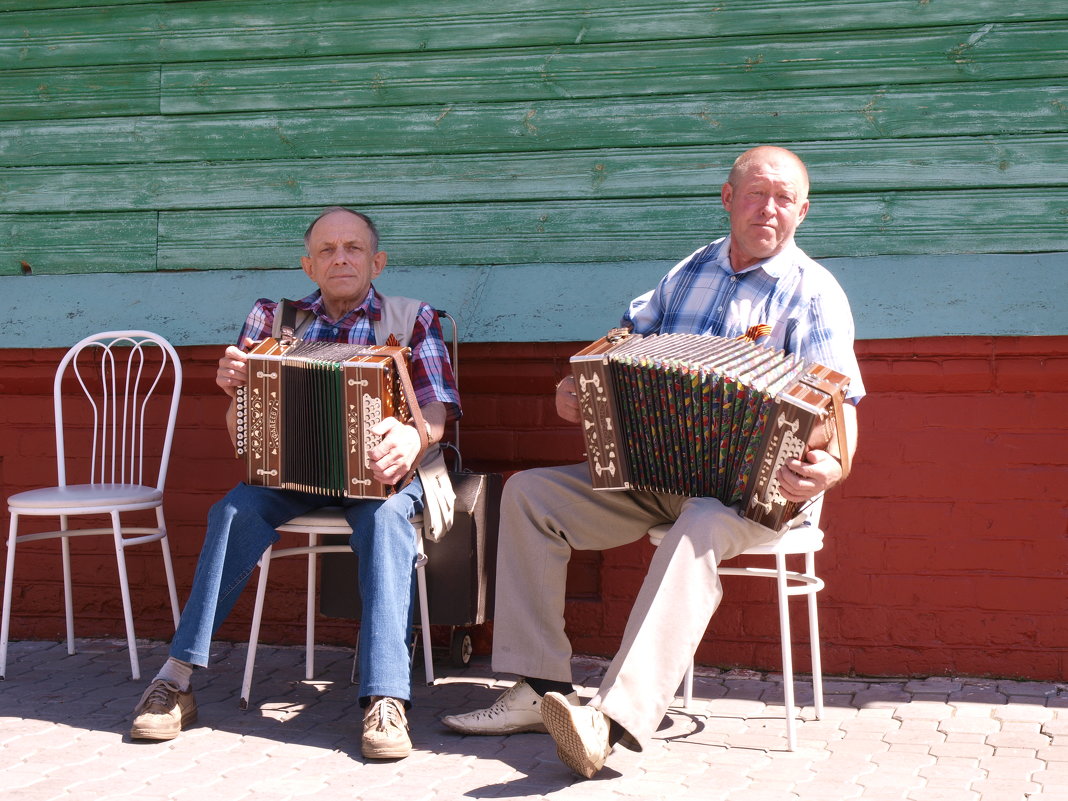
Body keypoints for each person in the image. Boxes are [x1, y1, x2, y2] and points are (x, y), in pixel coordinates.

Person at [442, 146, 864, 777]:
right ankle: (538, 687)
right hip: (659, 476)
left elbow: (844, 405)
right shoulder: (688, 271)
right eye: (755, 194)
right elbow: (617, 346)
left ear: (804, 210)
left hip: (756, 494)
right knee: (530, 494)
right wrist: (577, 392)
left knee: (699, 524)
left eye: (783, 199)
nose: (768, 209)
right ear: (728, 199)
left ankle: (609, 723)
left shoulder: (813, 294)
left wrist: (833, 469)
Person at [130, 207, 460, 760]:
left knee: (386, 521)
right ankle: (176, 679)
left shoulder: (411, 319)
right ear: (309, 266)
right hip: (292, 475)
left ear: (376, 260)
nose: (341, 258)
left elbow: (436, 415)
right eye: (327, 250)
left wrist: (412, 437)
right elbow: (241, 435)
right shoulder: (273, 318)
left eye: (353, 248)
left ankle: (385, 699)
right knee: (233, 510)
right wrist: (232, 387)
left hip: (380, 477)